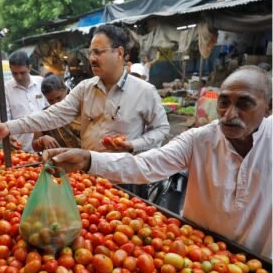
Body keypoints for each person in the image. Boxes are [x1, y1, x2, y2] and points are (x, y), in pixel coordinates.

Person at [40, 66, 272, 260]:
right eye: (224, 102)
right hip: (197, 253)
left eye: (245, 104)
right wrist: (88, 159)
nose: (230, 114)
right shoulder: (199, 139)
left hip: (260, 266)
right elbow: (144, 165)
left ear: (269, 107)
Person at [0, 24, 170, 155]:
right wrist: (8, 127)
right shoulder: (85, 89)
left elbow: (161, 129)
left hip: (127, 176)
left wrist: (133, 145)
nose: (92, 58)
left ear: (119, 53)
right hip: (91, 175)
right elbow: (51, 116)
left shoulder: (145, 91)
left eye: (98, 52)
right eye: (90, 52)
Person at [1, 51, 47, 152]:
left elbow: (51, 109)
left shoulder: (41, 83)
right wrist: (7, 135)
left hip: (45, 143)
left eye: (22, 72)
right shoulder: (6, 89)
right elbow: (4, 118)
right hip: (21, 147)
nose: (19, 77)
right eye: (15, 73)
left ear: (29, 68)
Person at [31, 74, 81, 151]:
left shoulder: (81, 109)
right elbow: (35, 146)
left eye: (58, 98)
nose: (55, 103)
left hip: (87, 159)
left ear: (65, 90)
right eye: (50, 100)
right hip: (60, 160)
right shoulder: (45, 116)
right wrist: (42, 140)